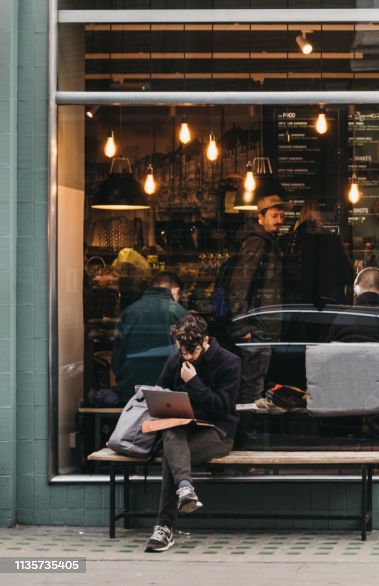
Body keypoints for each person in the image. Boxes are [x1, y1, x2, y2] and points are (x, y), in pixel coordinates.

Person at [145, 315, 241, 553]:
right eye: (182, 351)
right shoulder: (174, 360)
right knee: (171, 437)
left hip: (217, 432)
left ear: (205, 341)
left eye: (193, 352)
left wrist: (194, 381)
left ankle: (164, 527)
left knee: (172, 457)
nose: (187, 357)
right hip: (180, 431)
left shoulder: (229, 362)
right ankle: (185, 488)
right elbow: (161, 394)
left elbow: (222, 407)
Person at [229, 194, 289, 404]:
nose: (280, 221)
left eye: (282, 216)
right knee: (252, 385)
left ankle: (249, 431)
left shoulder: (268, 243)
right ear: (260, 217)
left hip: (264, 327)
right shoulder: (257, 243)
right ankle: (247, 434)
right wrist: (242, 326)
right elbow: (239, 285)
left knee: (256, 383)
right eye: (274, 216)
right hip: (257, 328)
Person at [111, 272, 188, 404]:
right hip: (170, 396)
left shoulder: (128, 312)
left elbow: (116, 361)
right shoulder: (180, 313)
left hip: (130, 394)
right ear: (176, 291)